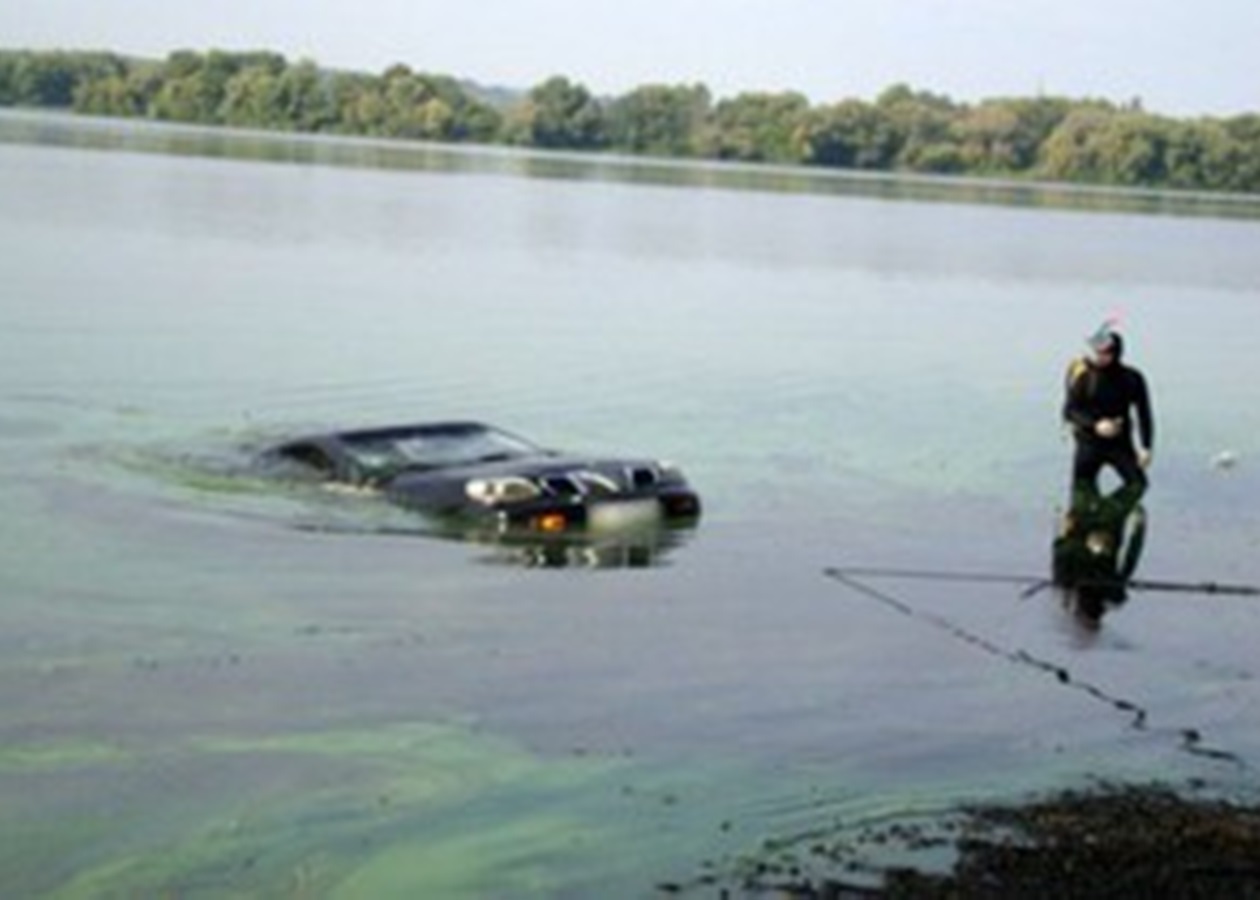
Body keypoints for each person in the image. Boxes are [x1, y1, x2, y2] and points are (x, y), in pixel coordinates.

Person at [1062, 322, 1154, 506]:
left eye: (1105, 353)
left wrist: (1146, 447)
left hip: (1119, 444)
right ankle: (1088, 523)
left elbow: (1144, 413)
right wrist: (1096, 425)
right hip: (1088, 443)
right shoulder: (1084, 376)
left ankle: (1109, 515)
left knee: (1139, 485)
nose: (1100, 357)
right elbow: (1069, 411)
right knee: (1081, 490)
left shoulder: (1133, 378)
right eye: (1097, 352)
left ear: (1116, 353)